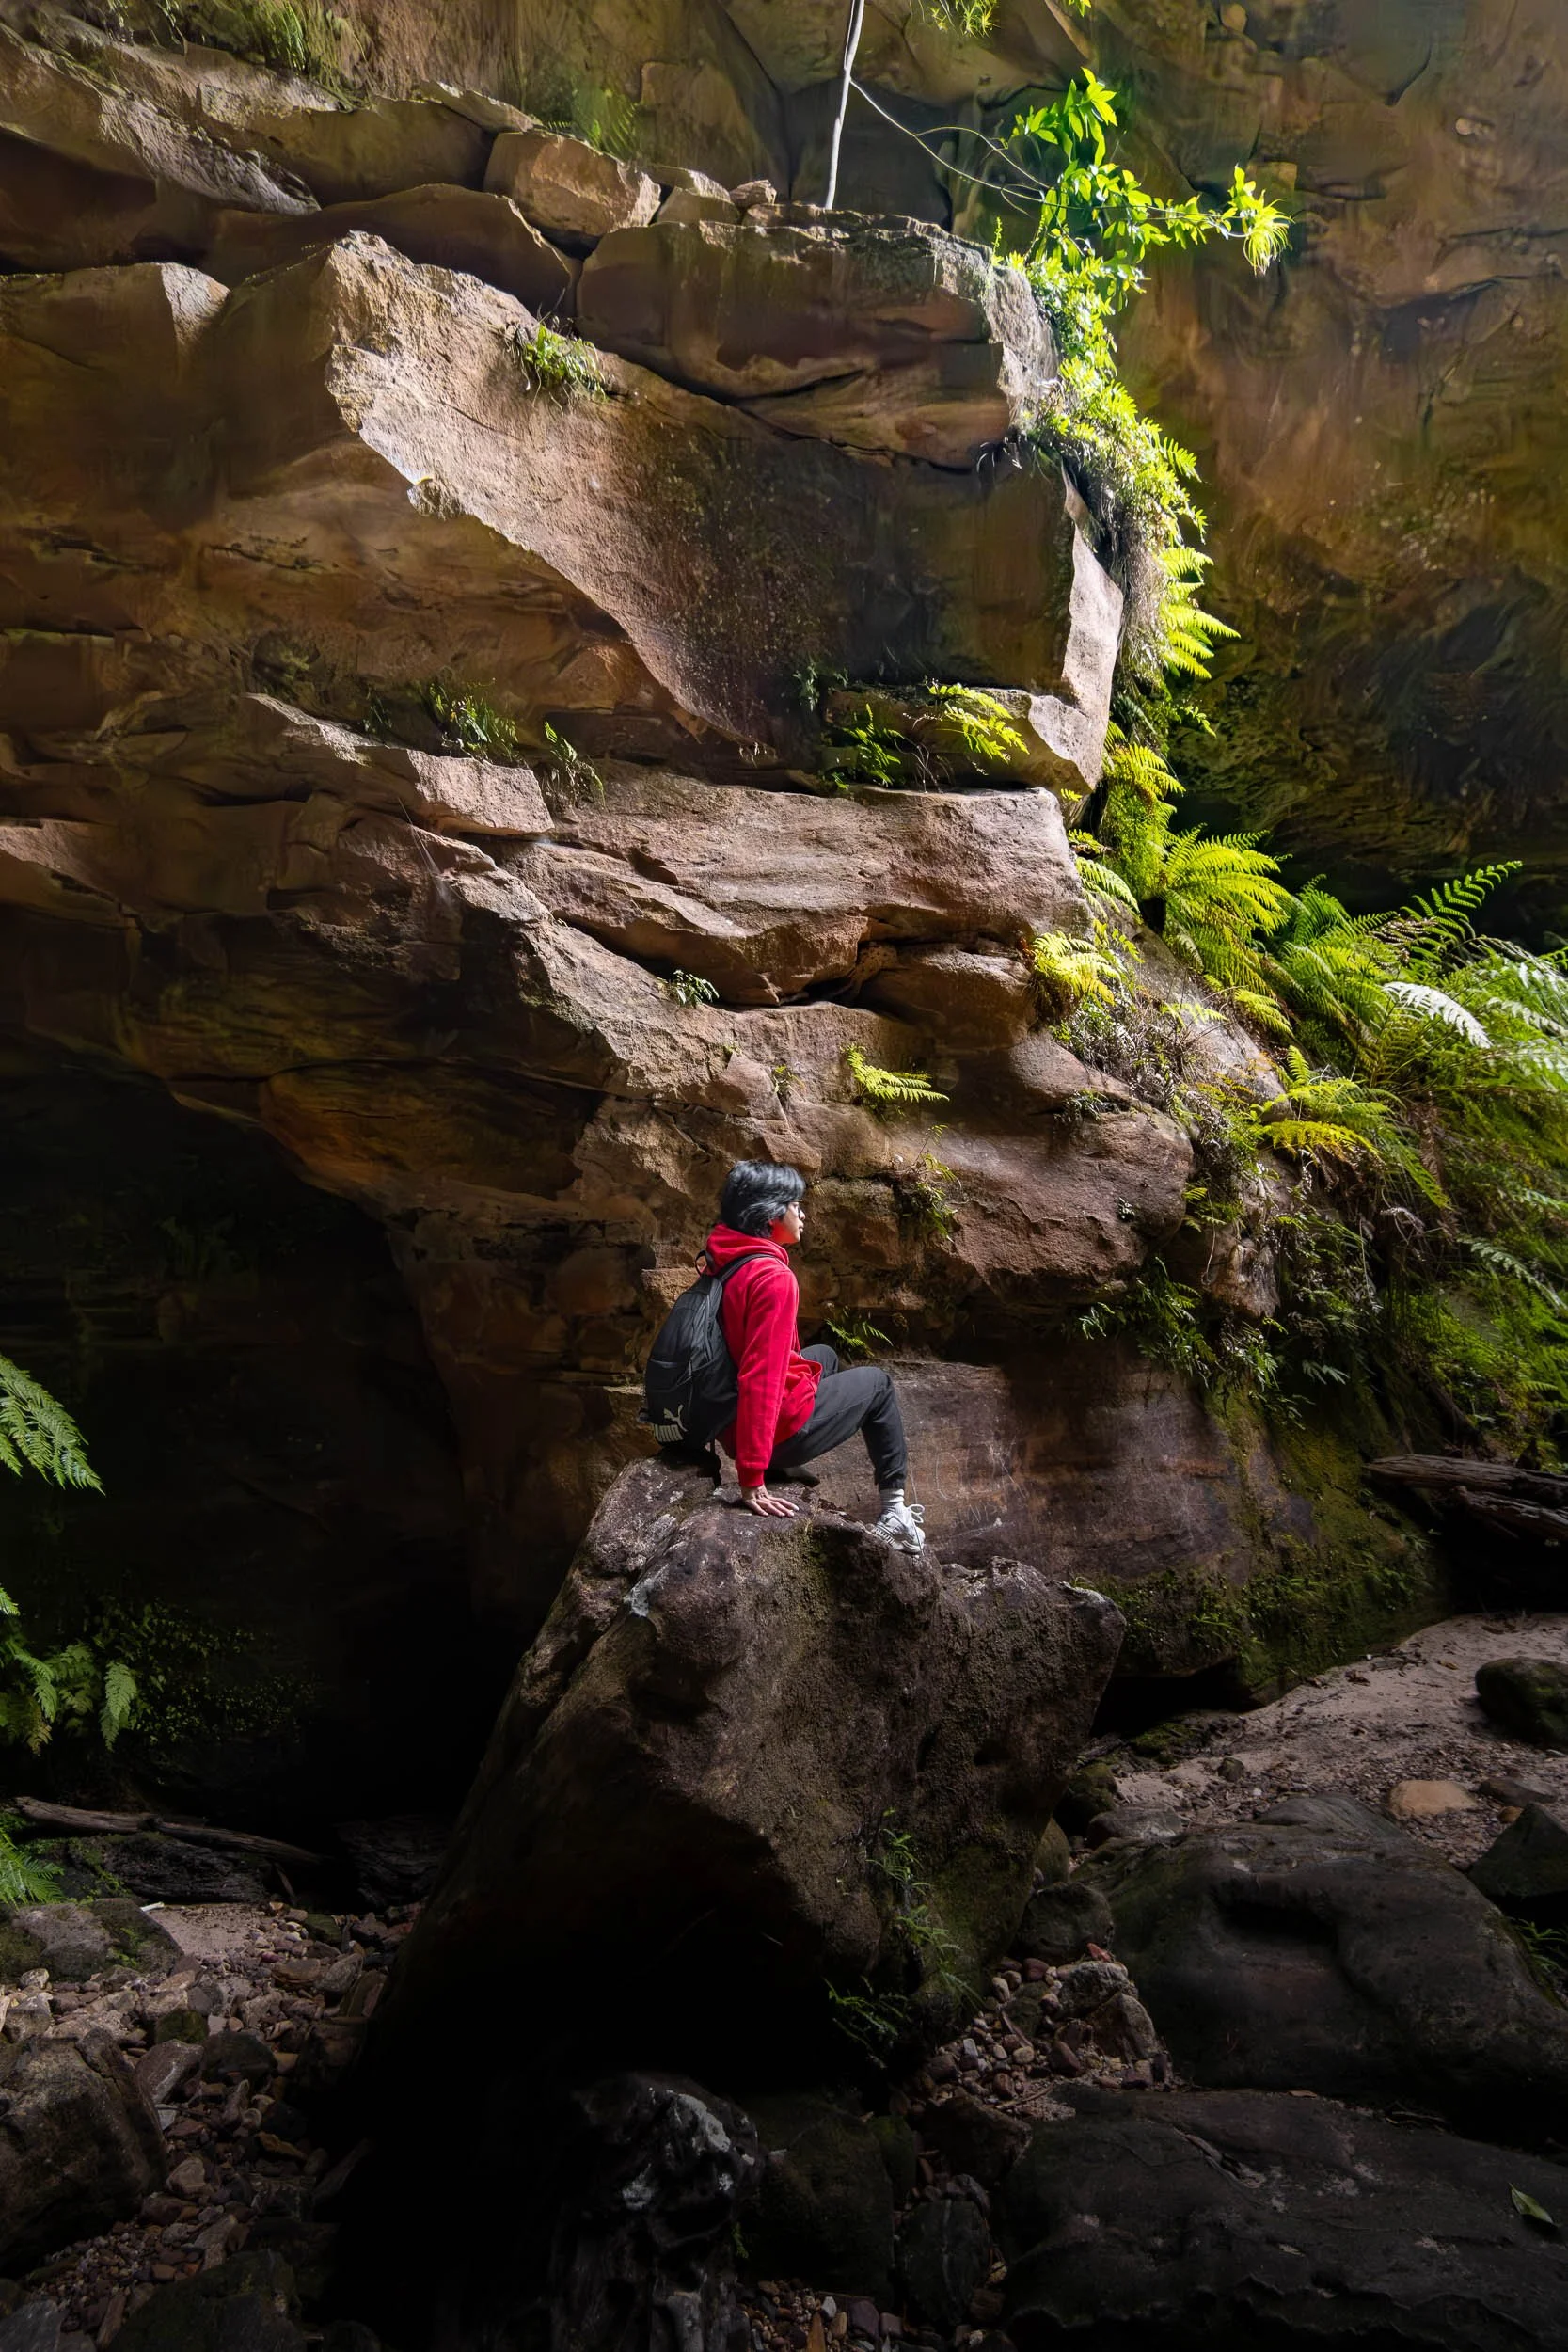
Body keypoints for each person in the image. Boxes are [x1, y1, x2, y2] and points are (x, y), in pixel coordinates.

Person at [704, 1160, 926, 1550]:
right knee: (879, 1385)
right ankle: (895, 1513)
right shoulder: (772, 1278)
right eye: (795, 1205)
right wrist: (752, 1476)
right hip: (768, 1434)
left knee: (823, 1356)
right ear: (771, 1213)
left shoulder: (724, 1258)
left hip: (728, 1419)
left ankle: (779, 1460)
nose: (802, 1213)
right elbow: (760, 1375)